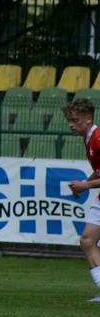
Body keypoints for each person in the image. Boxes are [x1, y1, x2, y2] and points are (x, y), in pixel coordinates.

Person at [63, 99, 100, 301]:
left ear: (88, 119)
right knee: (87, 240)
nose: (71, 124)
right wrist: (85, 183)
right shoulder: (89, 139)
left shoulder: (98, 138)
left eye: (75, 120)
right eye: (69, 120)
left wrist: (85, 186)